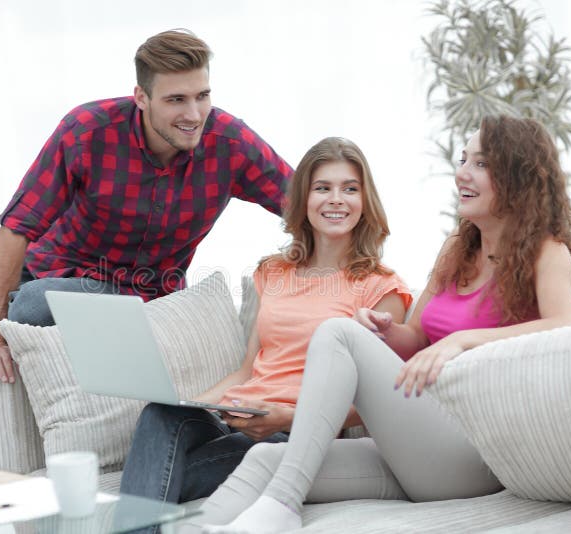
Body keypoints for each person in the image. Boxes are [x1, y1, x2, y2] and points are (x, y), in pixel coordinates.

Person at [0, 29, 294, 466]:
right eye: (176, 100)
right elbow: (15, 229)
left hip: (136, 294)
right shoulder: (88, 131)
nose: (194, 114)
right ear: (141, 97)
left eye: (202, 95)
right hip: (44, 274)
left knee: (35, 301)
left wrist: (337, 275)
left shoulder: (229, 142)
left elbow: (304, 203)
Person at [191, 115, 571, 533]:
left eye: (481, 164)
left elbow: (565, 327)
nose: (461, 174)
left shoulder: (548, 252)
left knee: (336, 331)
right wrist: (383, 330)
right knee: (263, 459)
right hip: (414, 448)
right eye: (463, 159)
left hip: (475, 456)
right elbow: (414, 337)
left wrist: (462, 342)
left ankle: (282, 507)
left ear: (517, 175)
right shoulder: (457, 247)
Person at [118, 137, 412, 521]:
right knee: (159, 414)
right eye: (323, 188)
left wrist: (286, 417)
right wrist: (198, 404)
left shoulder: (381, 288)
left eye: (350, 189)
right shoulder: (273, 272)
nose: (336, 199)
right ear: (305, 199)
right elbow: (246, 370)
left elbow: (379, 403)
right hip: (239, 414)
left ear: (364, 201)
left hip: (292, 431)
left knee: (158, 479)